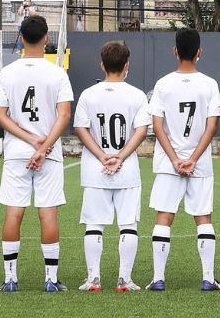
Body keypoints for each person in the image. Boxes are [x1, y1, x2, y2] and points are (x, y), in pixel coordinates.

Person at [0, 15, 73, 292]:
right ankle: (51, 279)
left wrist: (29, 140)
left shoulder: (7, 72)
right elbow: (64, 115)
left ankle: (10, 279)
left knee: (14, 212)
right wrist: (43, 145)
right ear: (47, 39)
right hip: (48, 153)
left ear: (21, 38)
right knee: (47, 212)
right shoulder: (57, 73)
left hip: (16, 152)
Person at [146, 29, 220, 292]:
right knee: (203, 218)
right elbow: (211, 127)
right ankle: (208, 278)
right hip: (199, 164)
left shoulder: (163, 84)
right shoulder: (210, 84)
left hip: (169, 164)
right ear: (199, 52)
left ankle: (158, 278)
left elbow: (157, 127)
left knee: (164, 218)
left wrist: (176, 160)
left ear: (175, 51)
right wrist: (192, 159)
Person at [74, 41, 150, 292]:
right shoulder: (137, 95)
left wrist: (101, 156)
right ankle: (124, 280)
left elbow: (80, 128)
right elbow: (141, 130)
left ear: (102, 65)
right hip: (126, 169)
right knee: (128, 224)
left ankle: (94, 279)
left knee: (94, 224)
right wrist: (120, 157)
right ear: (127, 65)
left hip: (96, 169)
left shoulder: (88, 94)